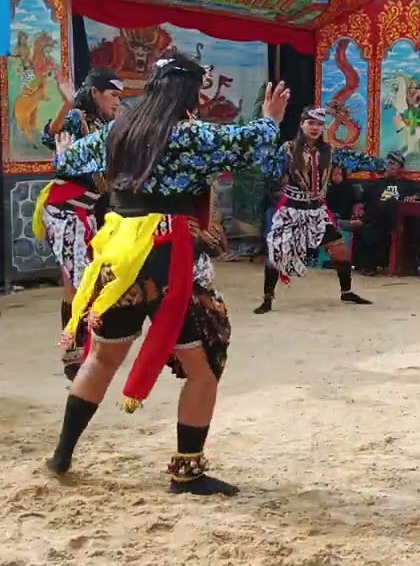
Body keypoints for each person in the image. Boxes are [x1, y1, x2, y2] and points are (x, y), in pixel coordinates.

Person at [46, 57, 287, 496]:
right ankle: (187, 472)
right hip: (165, 253)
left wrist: (65, 149)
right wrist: (270, 119)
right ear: (190, 93)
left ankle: (61, 455)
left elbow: (69, 160)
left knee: (102, 358)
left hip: (119, 251)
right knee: (203, 366)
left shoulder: (118, 130)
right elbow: (246, 142)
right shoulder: (188, 134)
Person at [36, 68, 123, 380]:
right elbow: (50, 135)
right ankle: (75, 355)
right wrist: (67, 104)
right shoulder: (77, 118)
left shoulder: (108, 125)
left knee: (82, 284)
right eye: (112, 95)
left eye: (119, 96)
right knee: (79, 284)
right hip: (64, 209)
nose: (117, 101)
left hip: (84, 211)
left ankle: (80, 350)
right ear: (95, 93)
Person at [255, 107, 386, 314]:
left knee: (339, 251)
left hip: (317, 212)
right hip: (292, 210)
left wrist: (378, 164)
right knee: (276, 254)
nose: (315, 128)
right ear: (302, 125)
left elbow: (354, 160)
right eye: (311, 123)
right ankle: (267, 298)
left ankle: (346, 291)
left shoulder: (329, 151)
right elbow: (271, 170)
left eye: (319, 124)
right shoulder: (288, 149)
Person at [354, 152, 420, 274]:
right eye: (389, 163)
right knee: (375, 219)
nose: (390, 166)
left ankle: (362, 221)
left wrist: (414, 196)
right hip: (379, 219)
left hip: (396, 219)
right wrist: (359, 205)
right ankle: (367, 266)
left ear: (401, 167)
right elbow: (365, 199)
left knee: (388, 202)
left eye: (394, 163)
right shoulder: (379, 183)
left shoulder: (407, 184)